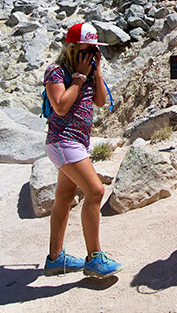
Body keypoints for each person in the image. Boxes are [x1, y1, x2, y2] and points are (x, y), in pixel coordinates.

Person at [42, 22, 122, 278]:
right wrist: (77, 80)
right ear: (73, 49)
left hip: (76, 143)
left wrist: (95, 74)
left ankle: (55, 258)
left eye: (95, 51)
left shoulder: (89, 72)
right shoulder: (56, 72)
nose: (92, 56)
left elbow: (100, 101)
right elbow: (60, 107)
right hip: (63, 142)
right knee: (96, 191)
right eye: (88, 50)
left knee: (64, 199)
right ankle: (94, 257)